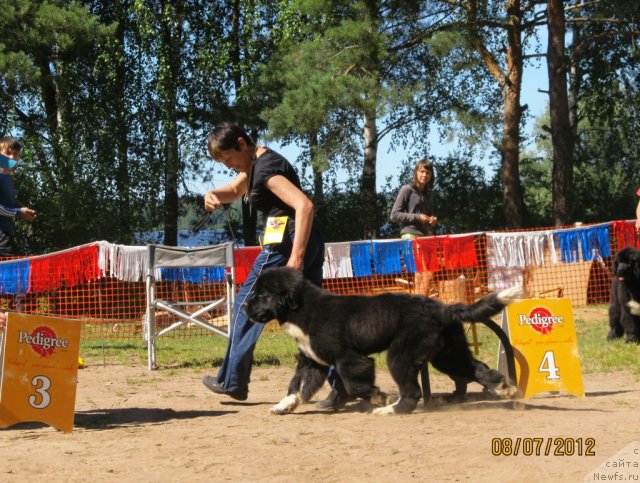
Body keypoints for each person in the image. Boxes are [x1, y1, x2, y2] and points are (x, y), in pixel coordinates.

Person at [200, 123, 342, 407]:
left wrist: (296, 257)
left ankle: (233, 382)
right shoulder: (255, 167)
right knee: (312, 317)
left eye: (229, 158)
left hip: (287, 245)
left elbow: (304, 206)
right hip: (307, 240)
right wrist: (214, 195)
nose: (229, 165)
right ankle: (345, 386)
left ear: (242, 143)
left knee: (246, 305)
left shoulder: (266, 169)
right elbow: (234, 189)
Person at [390, 158, 438, 294]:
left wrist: (432, 220)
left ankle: (419, 305)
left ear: (431, 175)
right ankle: (421, 306)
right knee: (425, 272)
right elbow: (394, 215)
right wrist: (417, 217)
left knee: (425, 273)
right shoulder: (406, 190)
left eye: (428, 172)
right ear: (416, 172)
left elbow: (427, 215)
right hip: (410, 235)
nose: (424, 175)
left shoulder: (429, 194)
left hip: (425, 236)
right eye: (422, 171)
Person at [0, 137, 36, 257]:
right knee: (17, 271)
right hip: (1, 236)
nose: (11, 157)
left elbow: (7, 201)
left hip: (6, 234)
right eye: (8, 153)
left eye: (15, 154)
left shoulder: (7, 178)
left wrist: (20, 206)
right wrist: (19, 212)